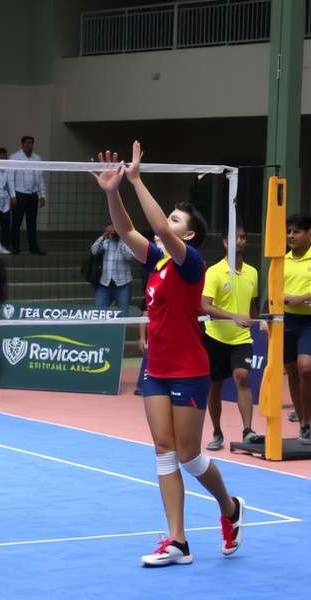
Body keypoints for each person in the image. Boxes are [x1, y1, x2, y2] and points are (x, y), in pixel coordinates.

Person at [92, 142, 243, 567]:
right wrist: (112, 191)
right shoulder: (157, 262)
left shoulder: (189, 261)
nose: (167, 224)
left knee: (190, 455)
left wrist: (138, 179)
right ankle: (178, 541)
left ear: (188, 234)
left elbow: (157, 228)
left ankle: (229, 508)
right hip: (156, 370)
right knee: (163, 450)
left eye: (176, 221)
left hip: (189, 371)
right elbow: (125, 231)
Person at [201, 225, 262, 450]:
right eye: (235, 238)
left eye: (243, 237)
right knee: (214, 387)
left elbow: (252, 306)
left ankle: (247, 431)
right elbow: (205, 306)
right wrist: (232, 316)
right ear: (225, 243)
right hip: (215, 338)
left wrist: (260, 319)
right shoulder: (214, 272)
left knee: (242, 376)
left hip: (241, 338)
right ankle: (217, 432)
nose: (240, 241)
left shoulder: (253, 272)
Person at [283, 213, 311, 444]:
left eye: (296, 231)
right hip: (287, 321)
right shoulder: (283, 260)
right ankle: (303, 422)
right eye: (288, 231)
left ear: (309, 234)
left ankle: (306, 421)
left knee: (305, 367)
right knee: (292, 372)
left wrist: (301, 298)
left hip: (308, 322)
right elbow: (274, 290)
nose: (291, 235)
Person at [9, 135, 45, 255]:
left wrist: (42, 195)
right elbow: (10, 178)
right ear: (22, 144)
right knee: (16, 223)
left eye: (31, 143)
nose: (29, 145)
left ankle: (33, 247)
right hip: (19, 195)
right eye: (26, 143)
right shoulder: (14, 157)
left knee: (32, 223)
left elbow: (40, 178)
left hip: (33, 195)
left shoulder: (37, 158)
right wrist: (13, 195)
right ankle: (15, 247)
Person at [91, 223, 136, 313]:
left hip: (122, 284)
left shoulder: (126, 240)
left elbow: (130, 256)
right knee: (99, 313)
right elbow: (94, 250)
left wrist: (122, 237)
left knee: (123, 314)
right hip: (104, 284)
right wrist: (104, 236)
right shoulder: (105, 240)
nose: (114, 231)